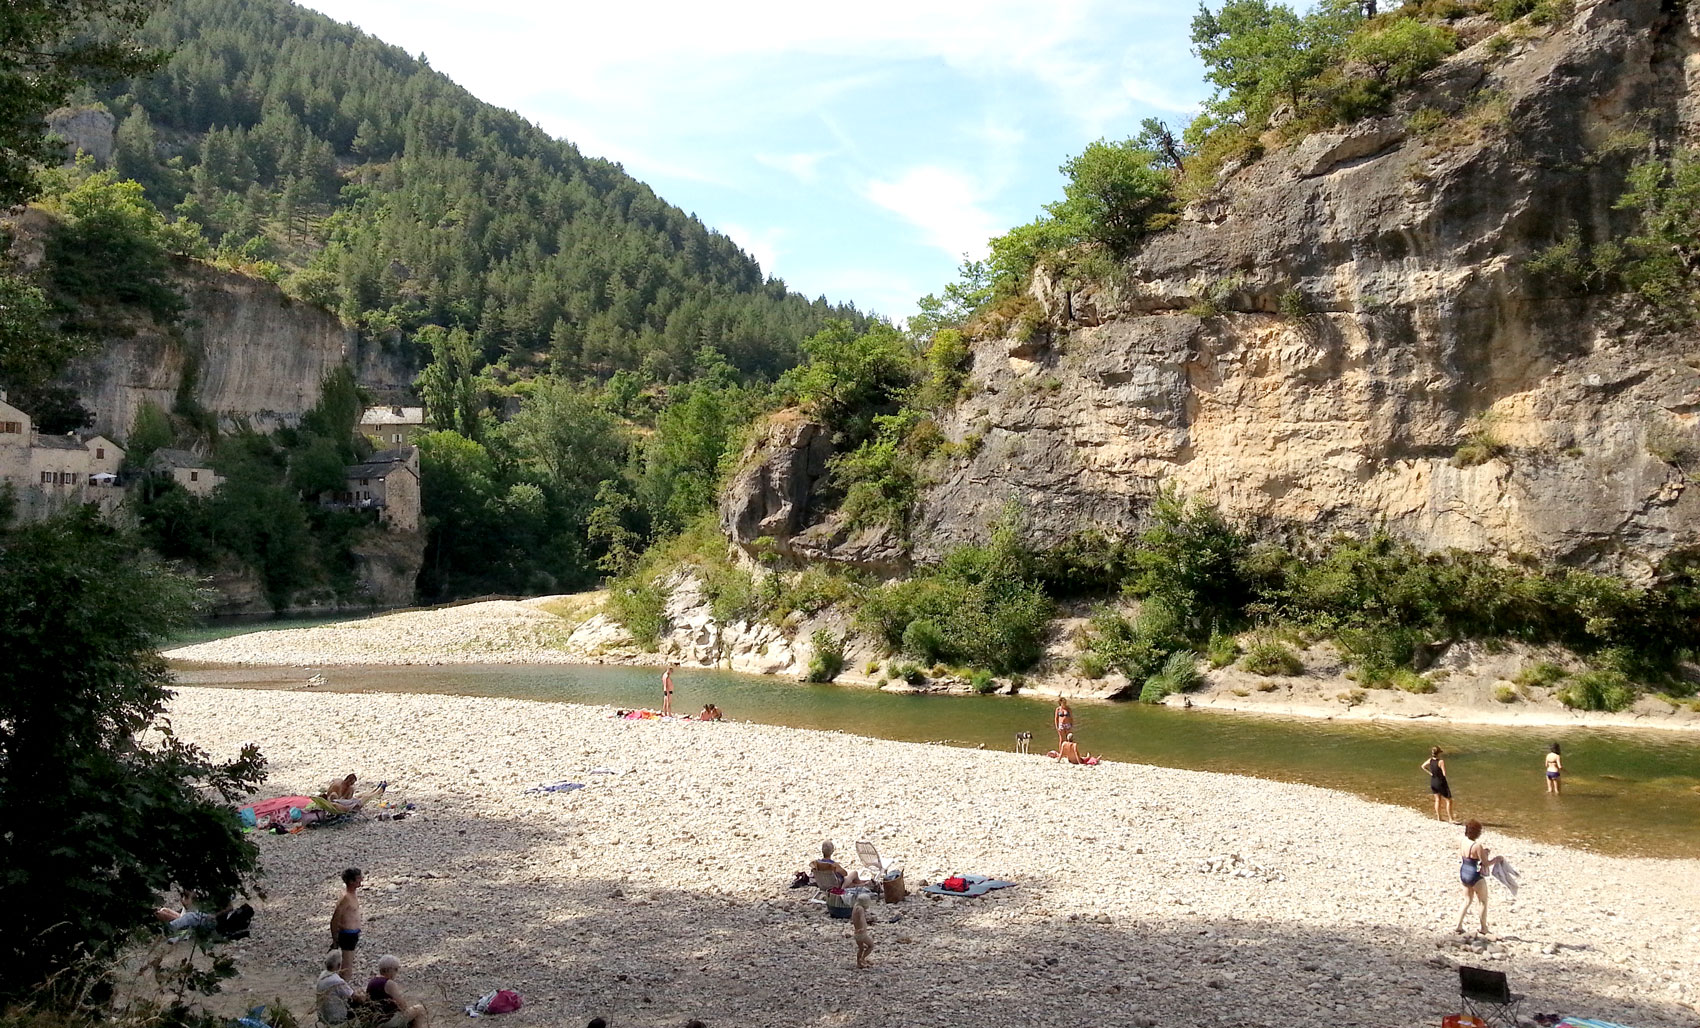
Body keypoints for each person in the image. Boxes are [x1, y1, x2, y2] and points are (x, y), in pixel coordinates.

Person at [1456, 820, 1501, 935]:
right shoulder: (1477, 846)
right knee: (1483, 901)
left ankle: (1458, 925)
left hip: (1464, 872)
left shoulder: (1463, 841)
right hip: (1474, 875)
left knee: (1467, 900)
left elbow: (1471, 856)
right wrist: (1497, 859)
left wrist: (1483, 852)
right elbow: (1486, 863)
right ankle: (1483, 928)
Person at [368, 955, 430, 1028]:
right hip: (388, 1022)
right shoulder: (389, 983)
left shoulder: (371, 982)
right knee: (419, 1009)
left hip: (375, 1022)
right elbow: (402, 1006)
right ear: (388, 970)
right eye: (396, 969)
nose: (396, 972)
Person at [316, 950, 365, 1024]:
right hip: (335, 1017)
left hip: (323, 1015)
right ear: (339, 965)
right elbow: (355, 997)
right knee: (361, 1004)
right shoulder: (337, 981)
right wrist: (362, 994)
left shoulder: (322, 975)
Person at [330, 867, 363, 976]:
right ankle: (344, 989)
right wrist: (335, 938)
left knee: (348, 965)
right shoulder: (345, 897)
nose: (361, 879)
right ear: (351, 881)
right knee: (346, 967)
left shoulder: (353, 894)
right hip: (347, 935)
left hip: (353, 934)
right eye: (358, 878)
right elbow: (335, 918)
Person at [1421, 746, 1454, 822]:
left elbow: (1423, 766)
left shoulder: (1430, 760)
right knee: (1449, 800)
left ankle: (1439, 818)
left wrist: (1431, 773)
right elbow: (1444, 773)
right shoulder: (1441, 762)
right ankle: (1451, 819)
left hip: (1433, 781)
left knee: (1437, 800)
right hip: (1440, 782)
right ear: (1439, 753)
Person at [851, 899, 874, 969]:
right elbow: (862, 919)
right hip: (861, 933)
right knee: (871, 945)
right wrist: (864, 927)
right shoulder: (861, 909)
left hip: (856, 932)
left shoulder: (855, 908)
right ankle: (863, 958)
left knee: (861, 948)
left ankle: (858, 963)